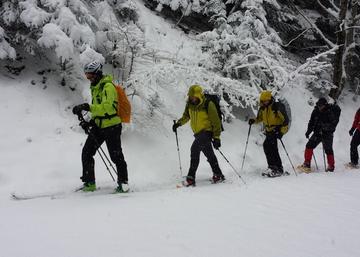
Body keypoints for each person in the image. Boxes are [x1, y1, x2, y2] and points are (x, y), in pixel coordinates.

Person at [72, 61, 129, 192]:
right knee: (87, 152)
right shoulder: (95, 87)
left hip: (112, 126)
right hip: (100, 125)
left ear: (97, 73)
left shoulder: (108, 87)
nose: (89, 78)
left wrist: (88, 107)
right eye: (87, 76)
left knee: (116, 156)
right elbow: (99, 111)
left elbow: (108, 108)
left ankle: (124, 183)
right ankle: (89, 183)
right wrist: (89, 122)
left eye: (90, 75)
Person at [172, 85, 225, 186]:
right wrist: (178, 124)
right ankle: (218, 174)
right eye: (190, 96)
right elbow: (186, 116)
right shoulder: (189, 104)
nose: (192, 98)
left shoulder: (208, 104)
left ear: (199, 95)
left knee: (194, 150)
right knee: (209, 154)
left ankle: (191, 178)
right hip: (197, 134)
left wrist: (217, 137)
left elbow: (216, 122)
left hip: (207, 132)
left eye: (194, 96)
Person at [248, 90, 289, 177]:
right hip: (269, 131)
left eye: (264, 101)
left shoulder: (276, 107)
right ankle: (275, 167)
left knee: (270, 147)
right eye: (262, 101)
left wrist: (281, 132)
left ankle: (275, 168)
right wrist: (253, 121)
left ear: (269, 99)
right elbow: (260, 118)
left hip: (276, 130)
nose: (263, 102)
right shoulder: (263, 107)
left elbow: (285, 120)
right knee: (270, 148)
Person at [299, 97, 341, 172]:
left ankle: (331, 166)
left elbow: (333, 124)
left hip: (327, 134)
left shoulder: (329, 112)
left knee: (328, 150)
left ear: (325, 105)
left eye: (321, 106)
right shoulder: (315, 111)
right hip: (317, 133)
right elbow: (311, 122)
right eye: (318, 105)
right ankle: (307, 163)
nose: (320, 107)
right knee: (309, 146)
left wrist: (324, 127)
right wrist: (308, 131)